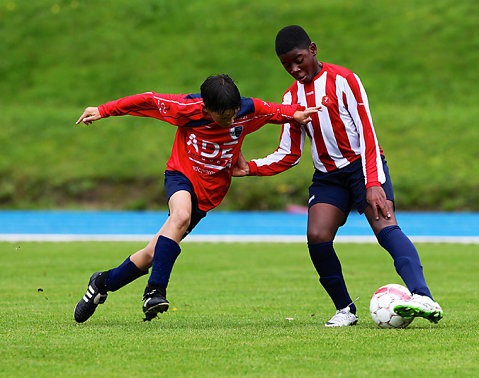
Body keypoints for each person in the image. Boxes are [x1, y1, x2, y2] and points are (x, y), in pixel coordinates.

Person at [232, 26, 443, 327]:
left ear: (313, 50)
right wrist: (249, 167)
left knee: (386, 227)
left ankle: (422, 296)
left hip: (362, 166)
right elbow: (289, 153)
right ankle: (345, 309)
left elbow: (367, 133)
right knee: (317, 236)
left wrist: (372, 183)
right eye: (286, 65)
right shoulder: (290, 98)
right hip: (328, 177)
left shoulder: (344, 80)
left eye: (299, 60)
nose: (294, 69)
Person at [73, 74, 319, 323]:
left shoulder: (248, 109)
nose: (232, 120)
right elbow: (146, 100)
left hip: (209, 193)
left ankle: (101, 283)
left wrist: (297, 113)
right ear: (207, 109)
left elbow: (278, 111)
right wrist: (104, 110)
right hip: (181, 175)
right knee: (181, 215)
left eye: (234, 114)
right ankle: (154, 292)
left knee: (151, 255)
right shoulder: (186, 109)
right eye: (224, 117)